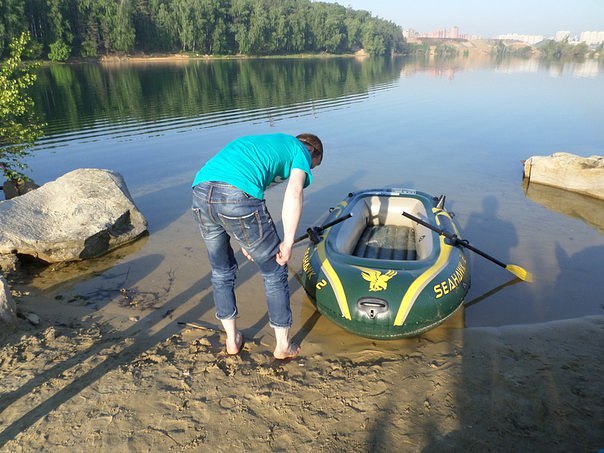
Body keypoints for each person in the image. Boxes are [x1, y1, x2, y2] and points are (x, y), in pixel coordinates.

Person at [191, 133, 323, 359]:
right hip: (235, 195)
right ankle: (283, 346)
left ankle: (232, 341)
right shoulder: (301, 150)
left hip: (201, 191)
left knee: (221, 271)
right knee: (275, 268)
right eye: (313, 167)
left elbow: (242, 185)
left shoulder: (267, 144)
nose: (309, 171)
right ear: (313, 151)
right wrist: (288, 241)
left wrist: (247, 238)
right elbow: (294, 193)